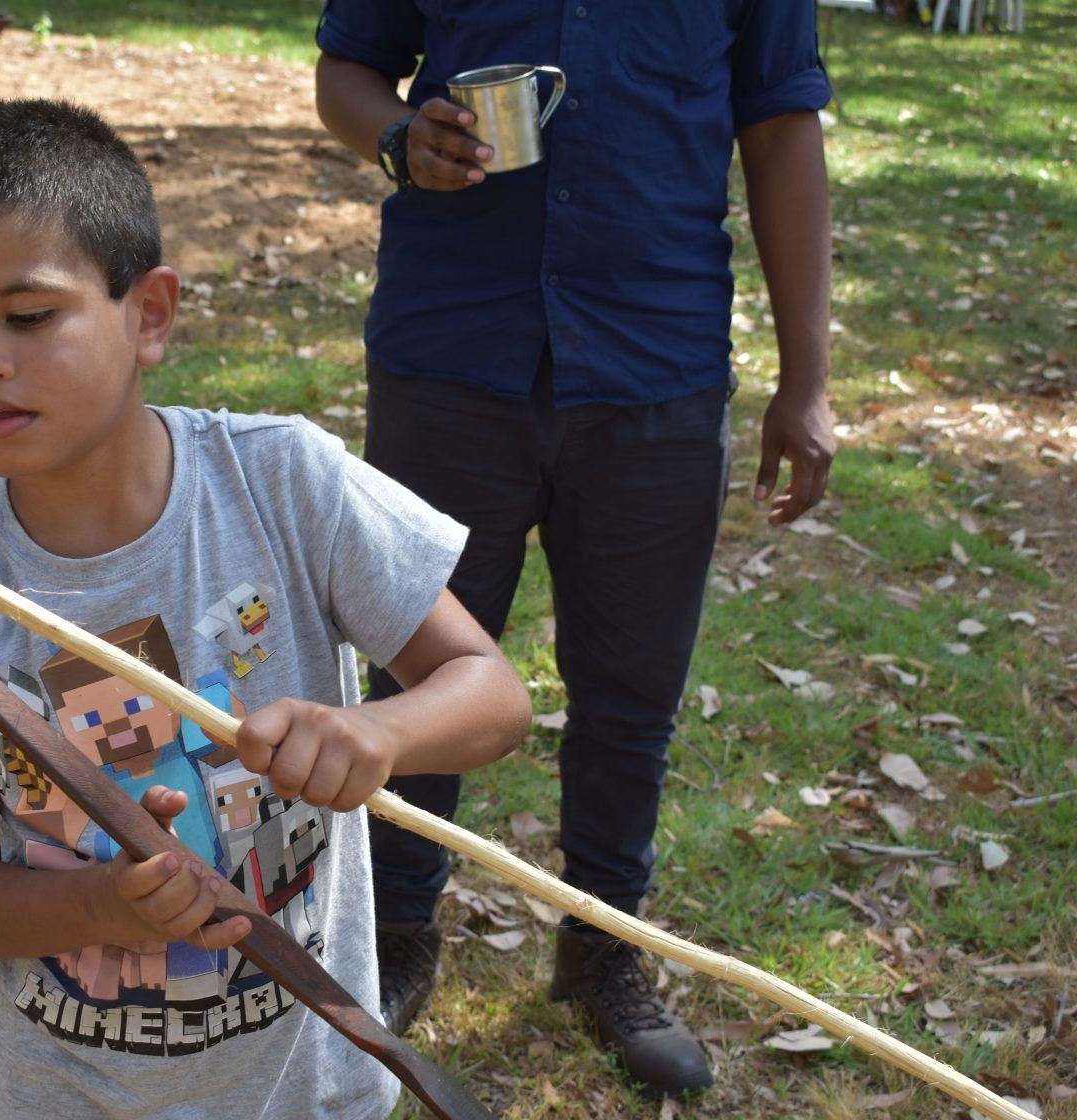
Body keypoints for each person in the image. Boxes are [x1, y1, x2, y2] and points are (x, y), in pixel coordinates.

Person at [0, 99, 532, 1120]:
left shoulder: (283, 481)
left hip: (302, 1089)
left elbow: (492, 697)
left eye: (28, 316)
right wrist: (99, 902)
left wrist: (374, 731)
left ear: (149, 314)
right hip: (47, 1094)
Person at [314, 1, 837, 1096]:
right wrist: (400, 138)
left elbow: (783, 125)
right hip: (449, 348)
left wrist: (807, 377)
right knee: (417, 665)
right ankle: (395, 931)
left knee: (631, 687)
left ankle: (602, 944)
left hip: (657, 360)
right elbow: (348, 69)